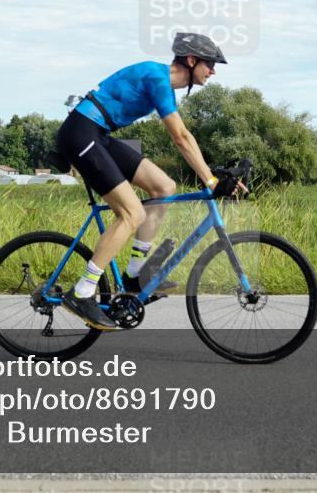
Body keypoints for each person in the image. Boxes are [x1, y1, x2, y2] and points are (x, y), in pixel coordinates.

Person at [56, 32, 236, 330]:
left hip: (99, 134)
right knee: (132, 213)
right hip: (80, 133)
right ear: (192, 60)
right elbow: (181, 138)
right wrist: (211, 181)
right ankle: (83, 291)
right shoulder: (157, 78)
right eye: (210, 64)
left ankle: (134, 274)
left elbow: (185, 137)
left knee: (164, 187)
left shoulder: (162, 84)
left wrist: (212, 176)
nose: (213, 71)